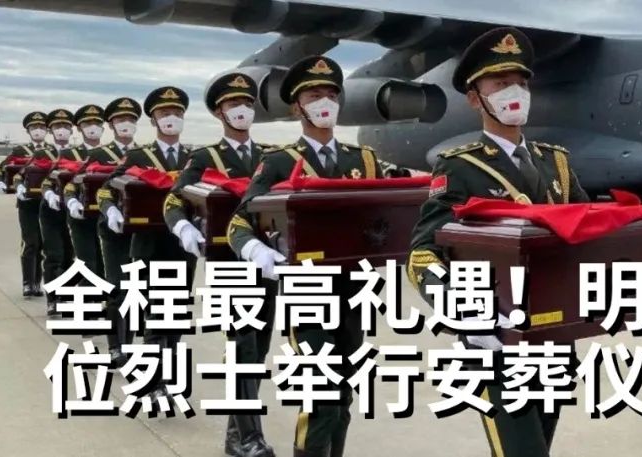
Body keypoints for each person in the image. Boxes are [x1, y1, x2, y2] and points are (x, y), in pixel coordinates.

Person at [407, 27, 588, 457]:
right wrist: (464, 310)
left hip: (554, 335)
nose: (515, 92)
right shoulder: (459, 167)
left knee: (537, 444)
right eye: (501, 83)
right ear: (475, 99)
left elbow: (587, 229)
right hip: (495, 339)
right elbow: (422, 253)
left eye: (521, 82)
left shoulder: (556, 162)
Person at [225, 55, 382, 457]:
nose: (324, 101)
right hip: (306, 289)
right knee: (321, 391)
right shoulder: (278, 161)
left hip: (355, 287)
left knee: (344, 391)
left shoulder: (363, 160)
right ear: (297, 107)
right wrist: (256, 250)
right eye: (314, 95)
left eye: (330, 93)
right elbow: (240, 220)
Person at [163, 72, 275, 457]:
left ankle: (234, 434)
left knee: (258, 348)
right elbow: (175, 199)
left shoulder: (270, 156)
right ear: (218, 112)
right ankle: (250, 438)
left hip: (268, 261)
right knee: (242, 345)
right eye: (233, 104)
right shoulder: (205, 157)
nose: (242, 110)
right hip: (228, 260)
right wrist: (182, 227)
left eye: (246, 103)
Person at [99, 86, 194, 404]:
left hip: (182, 244)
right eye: (164, 113)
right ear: (153, 120)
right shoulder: (139, 156)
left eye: (176, 112)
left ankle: (169, 376)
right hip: (147, 244)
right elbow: (107, 189)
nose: (171, 118)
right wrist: (111, 210)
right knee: (156, 311)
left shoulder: (193, 158)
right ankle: (153, 382)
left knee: (176, 312)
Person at [71, 97, 140, 367]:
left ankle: (130, 341)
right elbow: (74, 183)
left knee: (137, 289)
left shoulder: (145, 154)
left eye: (131, 119)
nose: (126, 124)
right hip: (112, 230)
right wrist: (73, 201)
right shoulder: (99, 154)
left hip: (143, 229)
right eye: (121, 119)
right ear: (111, 125)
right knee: (118, 286)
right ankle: (116, 346)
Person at [20, 109, 76, 315]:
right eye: (57, 126)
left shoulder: (79, 153)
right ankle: (52, 299)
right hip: (49, 210)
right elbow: (24, 174)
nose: (62, 130)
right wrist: (22, 186)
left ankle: (66, 296)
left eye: (66, 126)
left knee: (69, 255)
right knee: (53, 255)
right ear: (51, 131)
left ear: (72, 130)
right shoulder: (41, 153)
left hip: (72, 210)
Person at [46, 105, 106, 282]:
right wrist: (56, 196)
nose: (92, 127)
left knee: (106, 263)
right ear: (79, 128)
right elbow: (49, 181)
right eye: (87, 123)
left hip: (106, 213)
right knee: (86, 261)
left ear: (103, 127)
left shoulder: (111, 153)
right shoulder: (68, 153)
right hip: (79, 213)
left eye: (96, 123)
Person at [0, 112, 46, 297]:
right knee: (30, 242)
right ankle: (27, 282)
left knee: (43, 243)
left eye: (41, 127)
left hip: (47, 203)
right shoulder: (21, 151)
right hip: (27, 203)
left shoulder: (52, 150)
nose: (38, 130)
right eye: (34, 127)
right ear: (28, 131)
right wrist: (1, 182)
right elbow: (1, 168)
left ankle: (37, 282)